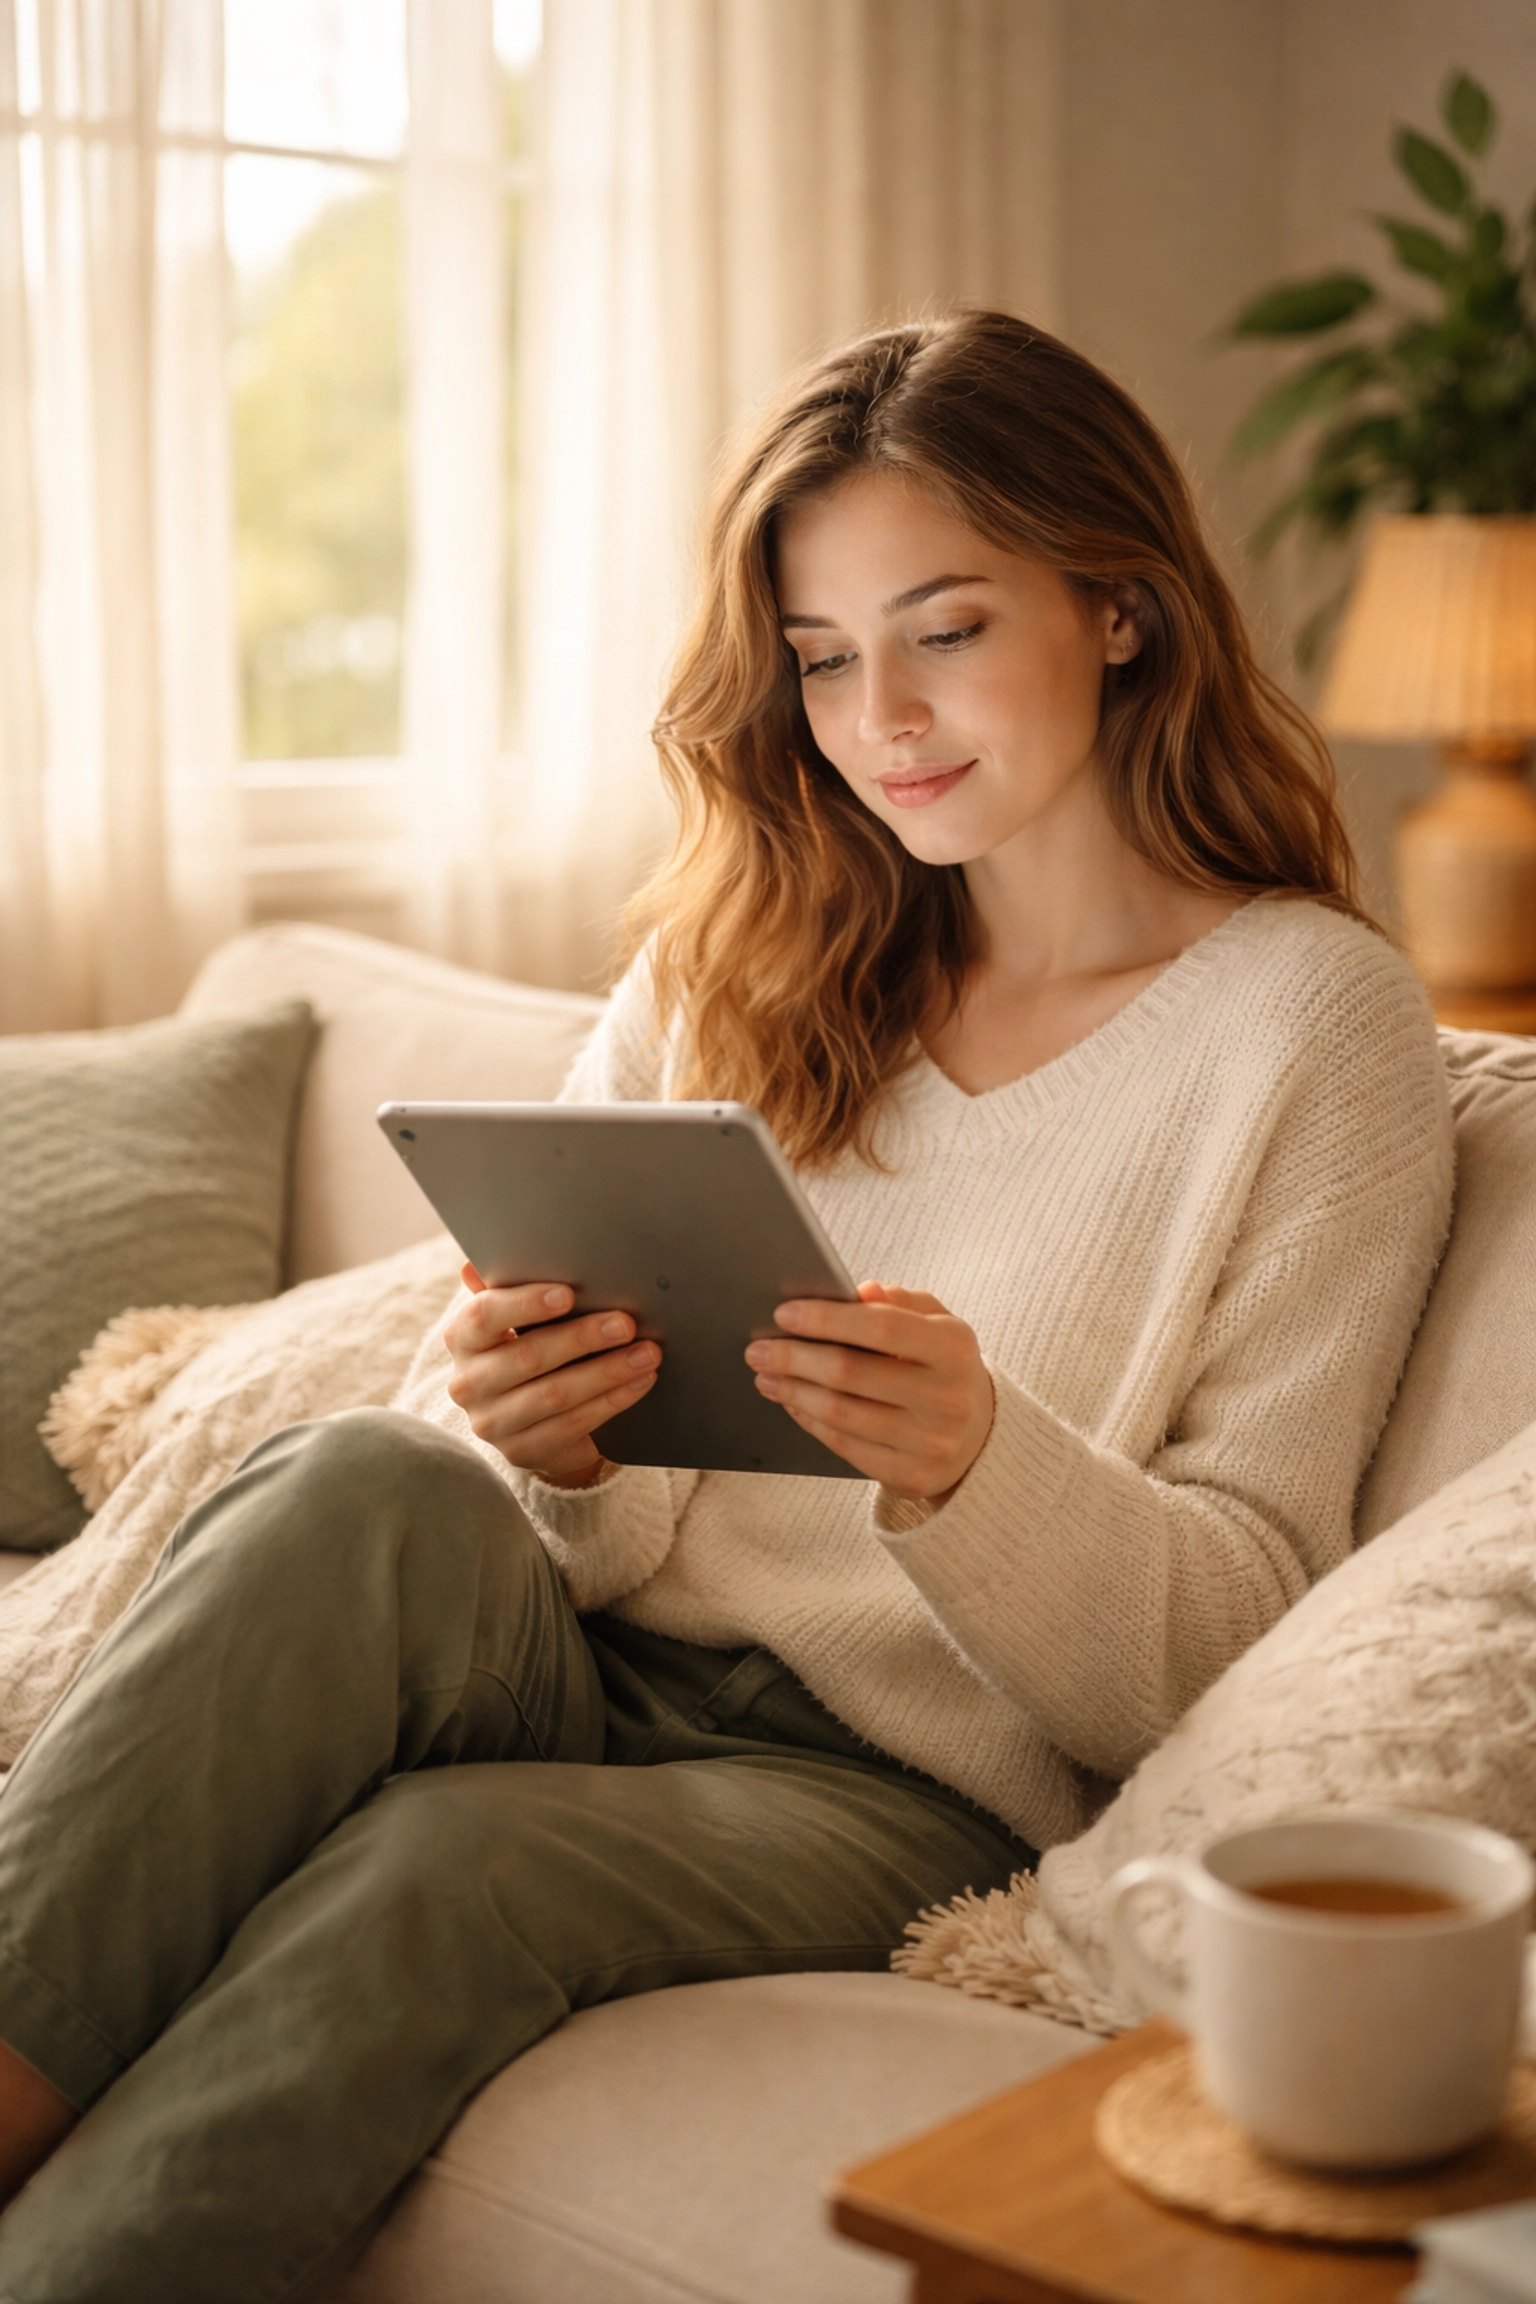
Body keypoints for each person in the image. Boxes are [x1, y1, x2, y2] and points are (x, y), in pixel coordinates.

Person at [0, 310, 1451, 2300]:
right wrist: (551, 1440)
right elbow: (573, 1534)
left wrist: (975, 1466)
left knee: (442, 1874)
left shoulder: (1313, 1025)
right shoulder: (744, 955)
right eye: (826, 657)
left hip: (893, 1783)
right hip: (590, 1656)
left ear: (1119, 607)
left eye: (947, 627)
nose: (886, 720)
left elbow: (1222, 1645)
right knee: (358, 1478)